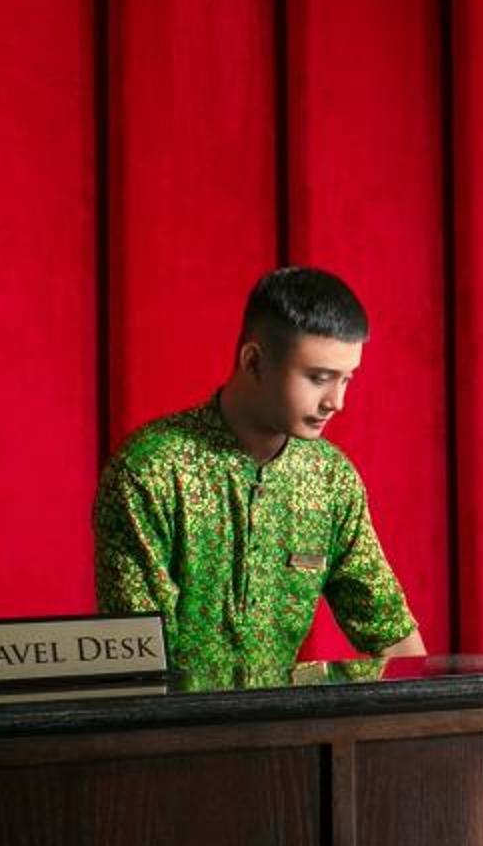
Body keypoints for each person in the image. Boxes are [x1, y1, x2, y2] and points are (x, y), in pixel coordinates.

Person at [95, 266, 426, 680]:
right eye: (319, 378)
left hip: (287, 723)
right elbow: (138, 663)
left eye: (346, 380)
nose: (336, 402)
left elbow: (393, 636)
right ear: (253, 362)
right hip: (173, 722)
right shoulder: (151, 470)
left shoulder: (331, 480)